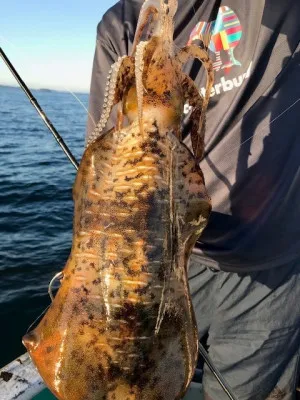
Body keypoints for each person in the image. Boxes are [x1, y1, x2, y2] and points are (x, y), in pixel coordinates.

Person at [86, 1, 300, 399]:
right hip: (175, 258)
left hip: (272, 266)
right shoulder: (122, 26)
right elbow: (104, 162)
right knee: (137, 378)